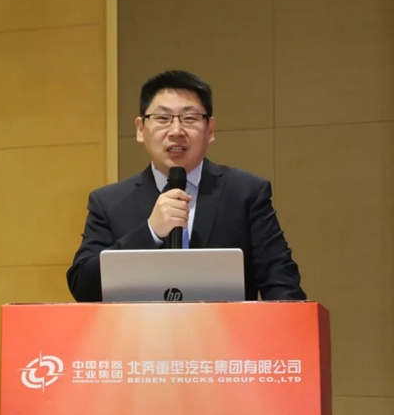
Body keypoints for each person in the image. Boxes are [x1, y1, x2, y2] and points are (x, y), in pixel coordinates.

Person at [66, 70, 306, 302]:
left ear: (210, 129)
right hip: (140, 330)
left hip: (225, 330)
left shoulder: (246, 193)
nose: (176, 131)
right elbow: (83, 286)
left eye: (189, 118)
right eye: (163, 118)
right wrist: (150, 232)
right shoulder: (109, 202)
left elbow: (282, 283)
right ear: (140, 129)